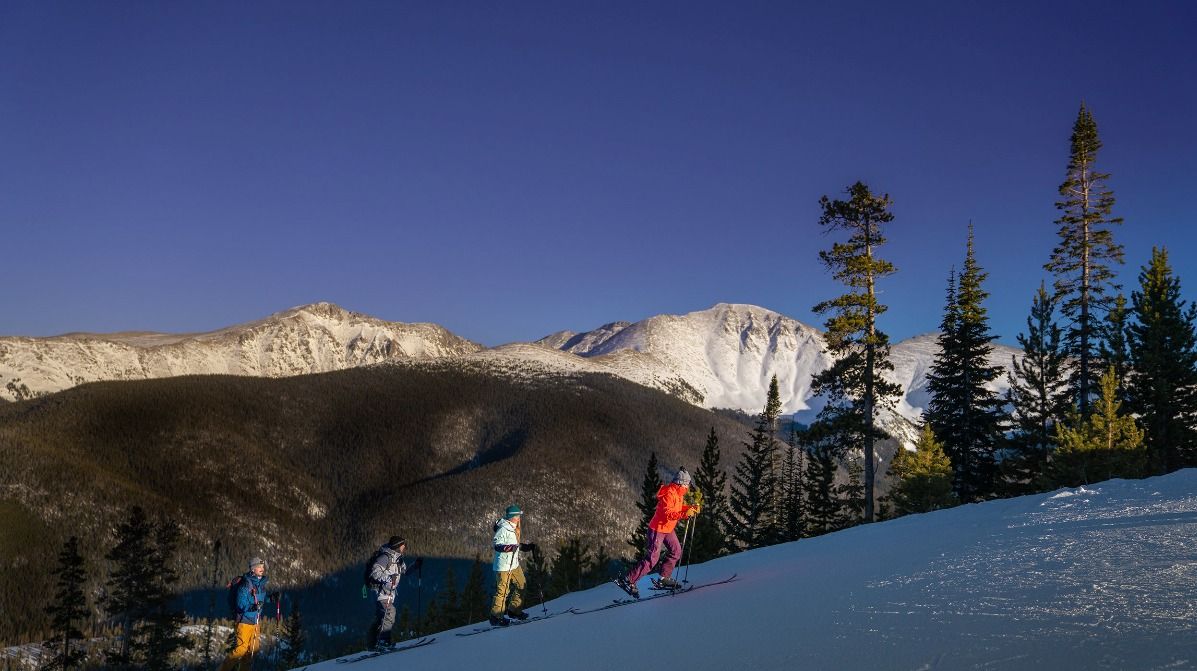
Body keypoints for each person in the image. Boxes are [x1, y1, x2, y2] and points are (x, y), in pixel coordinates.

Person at [617, 467, 699, 598]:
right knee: (652, 559)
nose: (688, 487)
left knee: (676, 551)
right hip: (657, 529)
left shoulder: (678, 494)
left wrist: (689, 508)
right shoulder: (669, 493)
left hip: (668, 529)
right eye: (687, 484)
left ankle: (663, 578)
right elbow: (668, 513)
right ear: (681, 483)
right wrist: (685, 514)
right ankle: (629, 580)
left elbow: (677, 508)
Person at [365, 535, 421, 650]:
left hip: (389, 593)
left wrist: (415, 565)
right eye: (403, 545)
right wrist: (389, 578)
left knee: (381, 619)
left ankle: (373, 645)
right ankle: (383, 642)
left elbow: (405, 572)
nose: (405, 547)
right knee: (389, 613)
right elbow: (374, 573)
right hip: (379, 593)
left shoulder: (398, 559)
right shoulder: (385, 557)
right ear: (398, 546)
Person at [489, 504, 537, 626]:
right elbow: (497, 544)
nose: (519, 518)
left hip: (514, 564)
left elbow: (514, 545)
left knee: (522, 584)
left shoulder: (513, 527)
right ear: (511, 517)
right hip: (504, 566)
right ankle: (496, 617)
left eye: (519, 516)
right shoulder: (503, 528)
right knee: (503, 591)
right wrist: (509, 547)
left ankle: (514, 610)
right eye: (517, 516)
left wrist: (525, 547)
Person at [219, 557, 270, 671]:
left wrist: (271, 598)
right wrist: (253, 607)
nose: (262, 569)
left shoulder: (260, 584)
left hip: (255, 622)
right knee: (241, 649)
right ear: (252, 569)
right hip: (244, 621)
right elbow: (240, 604)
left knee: (252, 650)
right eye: (258, 567)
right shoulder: (246, 584)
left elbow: (260, 600)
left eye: (262, 566)